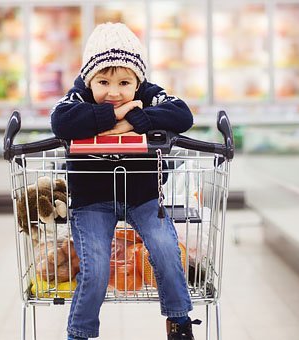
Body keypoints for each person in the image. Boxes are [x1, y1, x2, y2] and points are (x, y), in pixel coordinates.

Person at [50, 22, 199, 340]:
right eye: (103, 81)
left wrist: (133, 119)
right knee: (97, 267)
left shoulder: (150, 94)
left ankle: (179, 322)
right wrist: (117, 118)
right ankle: (79, 333)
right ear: (89, 80)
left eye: (124, 82)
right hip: (91, 201)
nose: (113, 92)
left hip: (142, 196)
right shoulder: (77, 95)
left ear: (138, 81)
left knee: (164, 249)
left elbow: (182, 115)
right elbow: (60, 121)